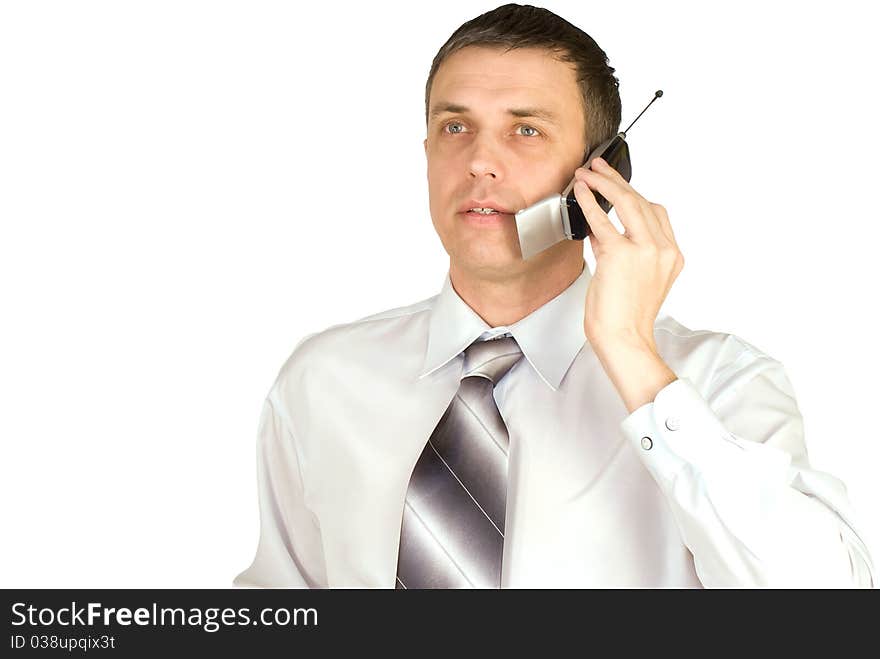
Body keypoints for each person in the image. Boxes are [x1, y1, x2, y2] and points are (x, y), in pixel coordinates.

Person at [233, 3, 874, 588]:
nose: (481, 160)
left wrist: (630, 353)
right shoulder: (323, 379)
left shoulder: (719, 381)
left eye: (526, 131)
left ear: (602, 174)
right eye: (455, 127)